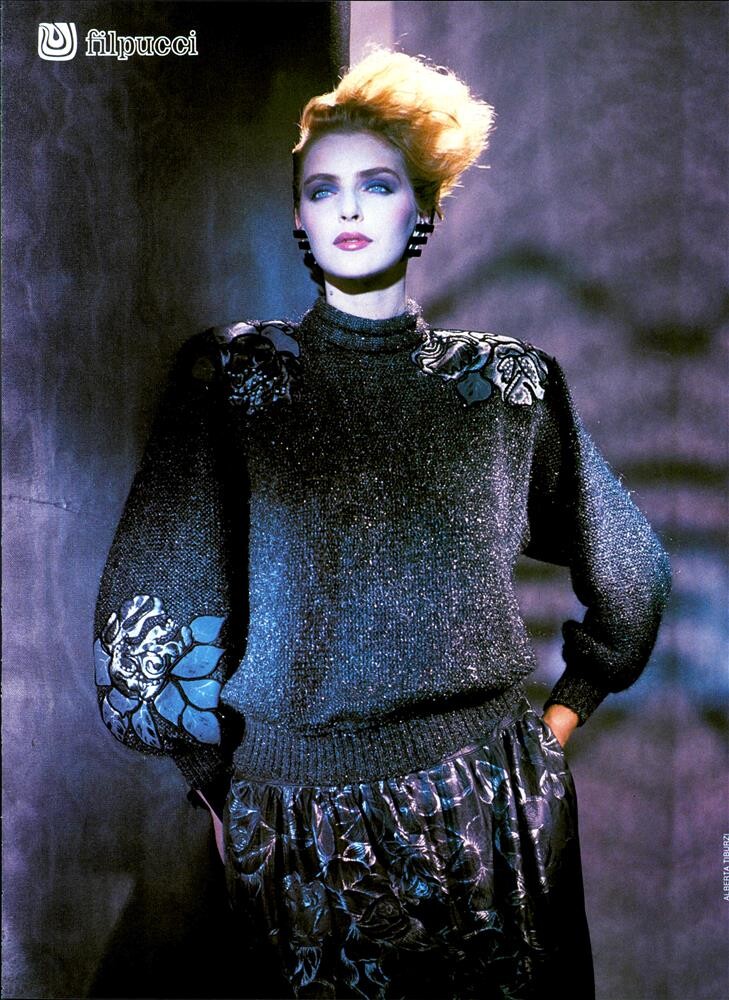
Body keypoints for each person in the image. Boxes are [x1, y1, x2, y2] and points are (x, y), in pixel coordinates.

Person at [94, 48, 671, 999]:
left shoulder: (507, 385)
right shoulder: (233, 375)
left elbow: (631, 574)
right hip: (295, 819)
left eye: (377, 184)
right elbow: (145, 615)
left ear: (424, 208)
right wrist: (219, 784)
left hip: (489, 802)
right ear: (297, 217)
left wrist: (565, 713)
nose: (348, 209)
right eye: (323, 190)